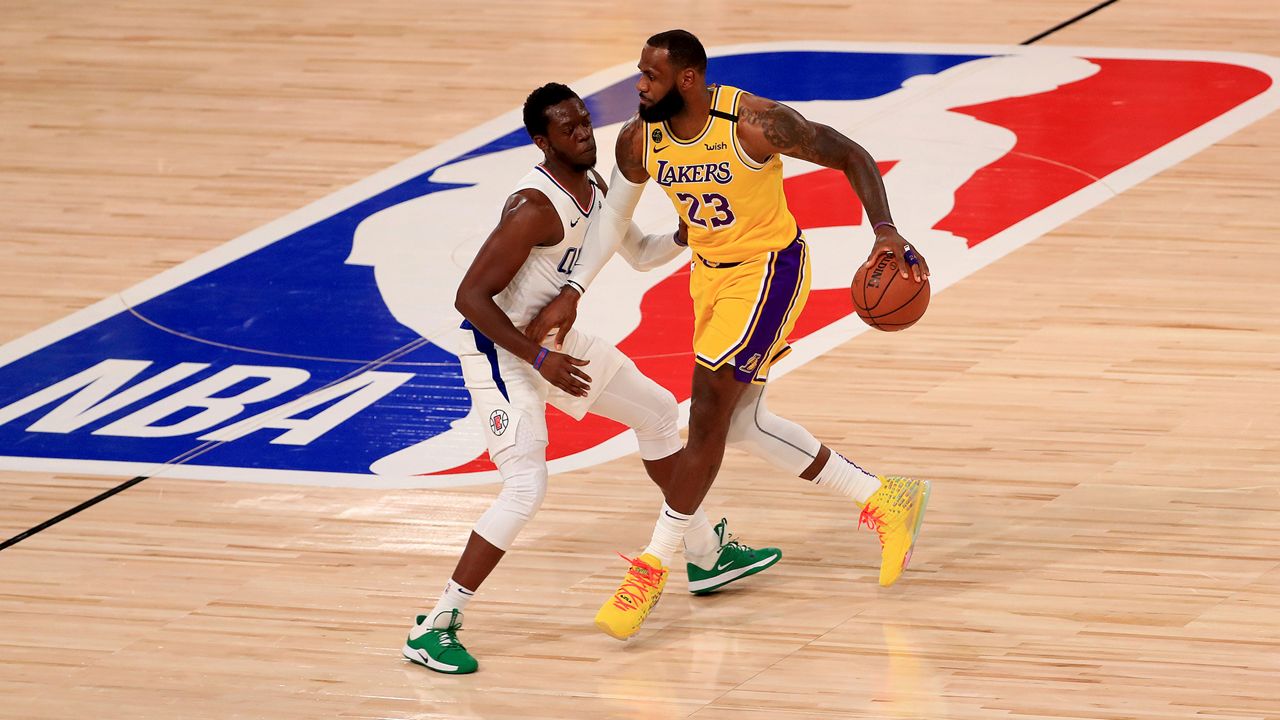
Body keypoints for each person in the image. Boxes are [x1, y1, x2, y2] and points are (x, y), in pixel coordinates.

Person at [526, 30, 932, 641]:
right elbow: (614, 220)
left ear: (687, 79)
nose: (639, 85)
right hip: (709, 280)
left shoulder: (754, 124)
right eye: (641, 72)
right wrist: (574, 289)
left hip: (770, 270)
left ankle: (654, 565)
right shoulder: (641, 138)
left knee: (707, 419)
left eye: (652, 75)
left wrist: (884, 231)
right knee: (743, 424)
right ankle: (883, 497)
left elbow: (853, 155)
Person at [401, 83, 782, 674]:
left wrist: (689, 233)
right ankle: (436, 623)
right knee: (526, 487)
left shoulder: (598, 187)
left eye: (585, 122)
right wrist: (537, 358)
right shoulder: (534, 208)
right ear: (541, 141)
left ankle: (705, 554)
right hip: (501, 354)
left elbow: (642, 254)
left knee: (658, 412)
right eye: (569, 128)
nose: (584, 133)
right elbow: (469, 298)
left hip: (550, 346)